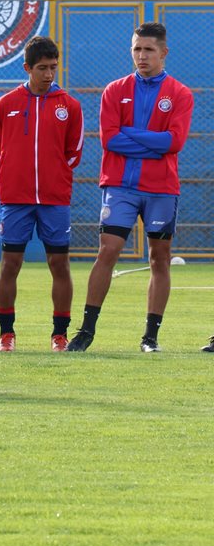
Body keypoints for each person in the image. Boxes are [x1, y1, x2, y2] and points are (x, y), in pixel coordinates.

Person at [67, 22, 193, 353]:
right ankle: (85, 332)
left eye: (148, 49)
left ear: (164, 53)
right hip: (120, 186)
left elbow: (175, 142)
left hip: (161, 189)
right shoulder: (114, 90)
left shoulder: (179, 94)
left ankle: (150, 338)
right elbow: (109, 139)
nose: (141, 56)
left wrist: (130, 134)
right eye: (136, 49)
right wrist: (154, 143)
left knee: (159, 259)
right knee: (107, 250)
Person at [0, 37, 84, 352]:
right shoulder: (5, 104)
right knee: (10, 264)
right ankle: (6, 333)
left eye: (53, 68)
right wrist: (17, 178)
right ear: (27, 67)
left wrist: (53, 177)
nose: (48, 74)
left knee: (59, 264)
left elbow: (74, 153)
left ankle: (59, 334)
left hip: (55, 199)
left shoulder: (69, 105)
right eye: (42, 68)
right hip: (15, 199)